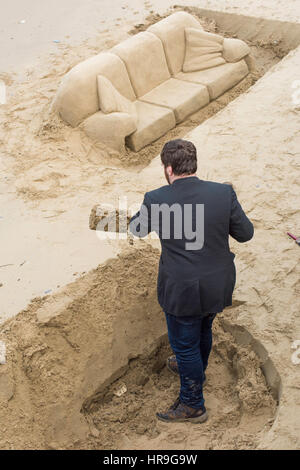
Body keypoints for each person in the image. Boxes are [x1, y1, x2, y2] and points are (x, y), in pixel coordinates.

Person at [129, 139, 254, 423]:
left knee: (184, 346)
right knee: (204, 328)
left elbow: (137, 230)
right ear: (194, 164)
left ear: (168, 169)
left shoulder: (157, 198)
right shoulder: (223, 193)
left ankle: (192, 404)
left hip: (182, 289)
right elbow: (245, 234)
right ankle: (197, 367)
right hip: (218, 283)